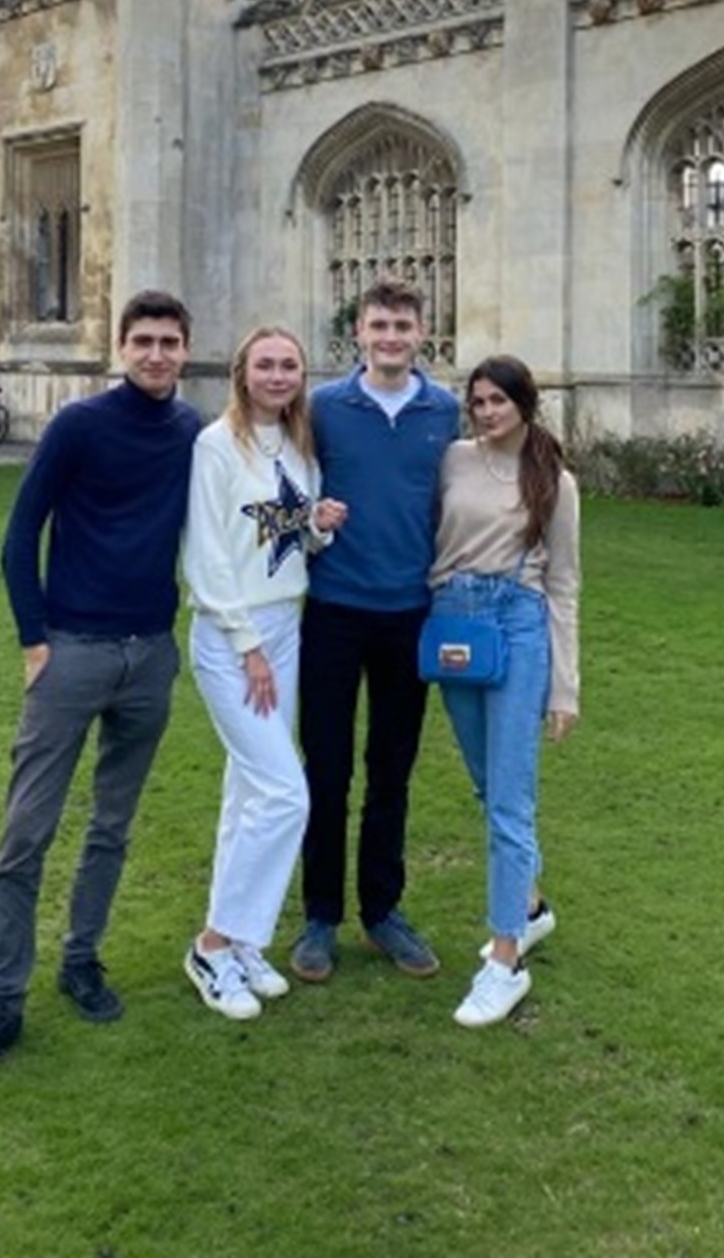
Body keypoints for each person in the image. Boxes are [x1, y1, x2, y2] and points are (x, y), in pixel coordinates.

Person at [0, 290, 202, 1083]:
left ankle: (80, 960)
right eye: (143, 341)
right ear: (119, 347)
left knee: (112, 826)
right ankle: (2, 1002)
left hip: (150, 654)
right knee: (26, 833)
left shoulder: (195, 433)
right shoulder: (79, 426)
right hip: (72, 652)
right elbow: (21, 534)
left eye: (169, 342)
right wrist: (33, 640)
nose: (156, 355)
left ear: (186, 350)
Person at [290, 277, 460, 983]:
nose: (390, 337)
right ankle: (320, 917)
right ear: (356, 332)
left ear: (422, 334)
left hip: (408, 614)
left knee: (391, 772)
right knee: (326, 770)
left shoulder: (442, 410)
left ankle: (382, 911)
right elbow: (290, 493)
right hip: (333, 609)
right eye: (378, 325)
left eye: (402, 326)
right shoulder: (324, 408)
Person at [182, 326, 348, 1018]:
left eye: (289, 365)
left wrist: (319, 526)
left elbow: (285, 540)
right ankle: (213, 944)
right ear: (241, 373)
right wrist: (246, 644)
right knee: (287, 794)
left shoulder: (299, 445)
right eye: (266, 365)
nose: (278, 376)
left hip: (287, 623)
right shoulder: (217, 445)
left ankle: (244, 942)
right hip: (233, 637)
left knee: (249, 793)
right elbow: (209, 553)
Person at [428, 354, 580, 1029]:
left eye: (496, 401)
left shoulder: (554, 481)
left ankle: (504, 962)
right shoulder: (454, 461)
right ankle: (530, 905)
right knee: (488, 786)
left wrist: (564, 687)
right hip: (453, 624)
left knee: (512, 796)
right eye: (477, 401)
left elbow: (564, 586)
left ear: (524, 403)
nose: (485, 412)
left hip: (516, 627)